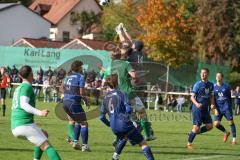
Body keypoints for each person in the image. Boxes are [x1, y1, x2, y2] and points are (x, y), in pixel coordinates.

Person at [11, 65, 61, 160]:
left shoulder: (19, 88)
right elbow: (23, 104)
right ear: (31, 74)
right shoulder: (27, 87)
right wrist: (40, 112)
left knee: (44, 134)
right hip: (24, 125)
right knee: (47, 146)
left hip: (15, 126)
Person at [100, 74, 155, 160]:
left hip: (114, 127)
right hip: (124, 124)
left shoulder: (105, 97)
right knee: (143, 143)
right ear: (118, 83)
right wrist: (129, 119)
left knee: (124, 138)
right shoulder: (122, 93)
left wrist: (110, 124)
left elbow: (101, 117)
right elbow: (128, 109)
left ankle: (114, 157)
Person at [62, 60, 90, 151]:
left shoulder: (67, 77)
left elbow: (62, 89)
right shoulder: (81, 77)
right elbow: (81, 93)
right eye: (81, 66)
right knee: (84, 123)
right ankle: (85, 146)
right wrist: (86, 100)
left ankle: (75, 142)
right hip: (73, 102)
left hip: (65, 102)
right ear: (78, 67)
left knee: (78, 121)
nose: (82, 68)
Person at [187, 68, 214, 150]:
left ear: (208, 74)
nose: (203, 74)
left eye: (205, 73)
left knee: (209, 126)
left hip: (206, 109)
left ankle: (192, 133)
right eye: (202, 73)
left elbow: (212, 96)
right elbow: (192, 97)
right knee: (196, 127)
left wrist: (212, 104)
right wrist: (197, 104)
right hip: (197, 109)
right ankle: (189, 144)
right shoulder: (197, 84)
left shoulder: (211, 85)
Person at [213, 72, 237, 144]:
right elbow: (213, 99)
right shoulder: (213, 87)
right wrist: (215, 109)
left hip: (226, 108)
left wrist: (228, 107)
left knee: (231, 122)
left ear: (222, 77)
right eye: (217, 76)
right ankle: (226, 132)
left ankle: (234, 140)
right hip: (218, 109)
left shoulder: (227, 86)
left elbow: (229, 98)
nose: (217, 77)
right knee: (216, 124)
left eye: (219, 76)